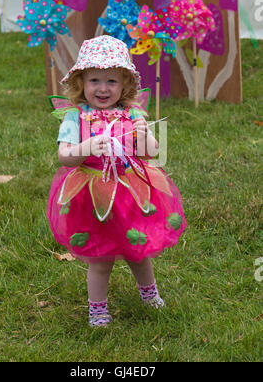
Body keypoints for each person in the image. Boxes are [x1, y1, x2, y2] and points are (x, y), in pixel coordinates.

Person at [47, 35, 187, 327]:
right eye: (94, 80)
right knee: (101, 258)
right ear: (80, 83)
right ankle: (97, 309)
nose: (102, 88)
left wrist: (143, 132)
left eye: (111, 81)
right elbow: (64, 155)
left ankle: (149, 293)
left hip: (131, 190)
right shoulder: (75, 117)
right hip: (92, 191)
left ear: (125, 85)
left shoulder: (132, 113)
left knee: (138, 249)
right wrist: (85, 149)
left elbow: (151, 153)